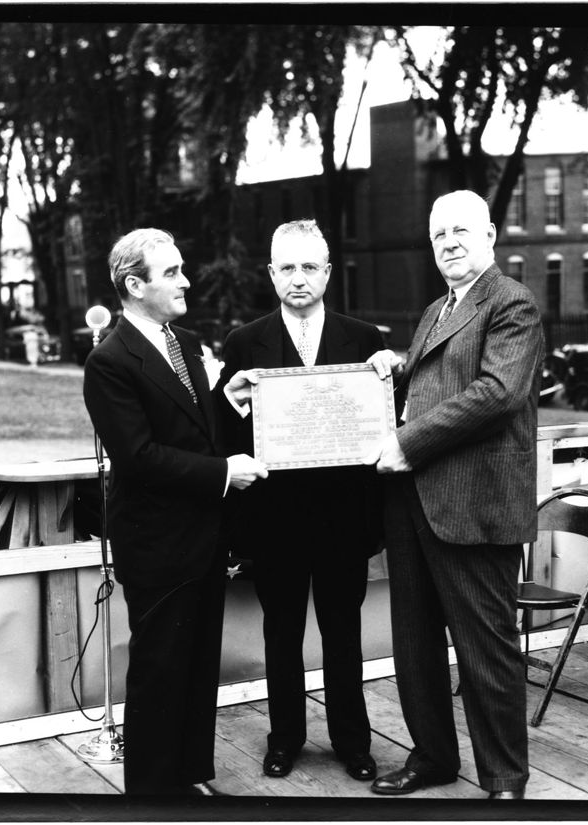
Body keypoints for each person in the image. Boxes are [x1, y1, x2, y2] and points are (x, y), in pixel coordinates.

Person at [364, 190, 543, 800]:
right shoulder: (435, 309)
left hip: (474, 503)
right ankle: (434, 758)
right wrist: (397, 363)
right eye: (439, 235)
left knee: (485, 651)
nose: (449, 243)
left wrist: (408, 442)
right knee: (414, 647)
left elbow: (497, 392)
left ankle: (503, 780)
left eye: (461, 231)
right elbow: (437, 379)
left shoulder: (511, 301)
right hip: (413, 503)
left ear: (490, 235)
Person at [83, 227, 268, 796]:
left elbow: (194, 425)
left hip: (203, 538)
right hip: (157, 545)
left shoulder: (184, 343)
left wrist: (227, 399)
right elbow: (138, 457)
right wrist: (224, 473)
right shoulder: (110, 362)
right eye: (171, 273)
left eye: (182, 268)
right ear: (134, 285)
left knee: (195, 667)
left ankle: (189, 779)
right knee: (161, 672)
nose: (186, 281)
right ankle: (150, 795)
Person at [217, 220, 384, 783]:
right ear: (270, 273)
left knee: (344, 635)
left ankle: (353, 743)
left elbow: (382, 424)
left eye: (310, 267)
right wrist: (236, 403)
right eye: (287, 267)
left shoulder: (365, 340)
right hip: (277, 523)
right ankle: (284, 738)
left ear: (329, 273)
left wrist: (392, 378)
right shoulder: (244, 343)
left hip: (343, 520)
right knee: (281, 636)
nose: (298, 278)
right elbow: (226, 436)